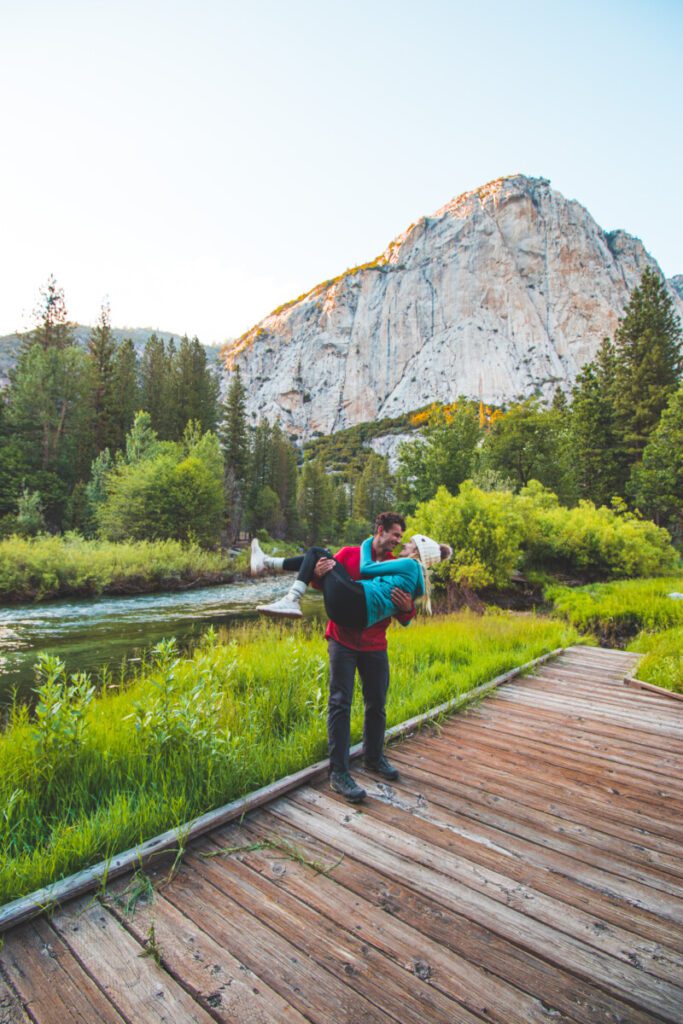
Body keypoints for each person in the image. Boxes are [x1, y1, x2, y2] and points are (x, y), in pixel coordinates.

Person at [251, 513, 452, 803]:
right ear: (379, 532)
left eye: (401, 539)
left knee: (377, 703)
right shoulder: (351, 554)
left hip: (374, 644)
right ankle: (339, 773)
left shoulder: (400, 565)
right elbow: (326, 585)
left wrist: (408, 608)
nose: (397, 542)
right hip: (343, 640)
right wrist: (318, 573)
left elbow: (406, 617)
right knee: (340, 703)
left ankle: (374, 758)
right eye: (394, 535)